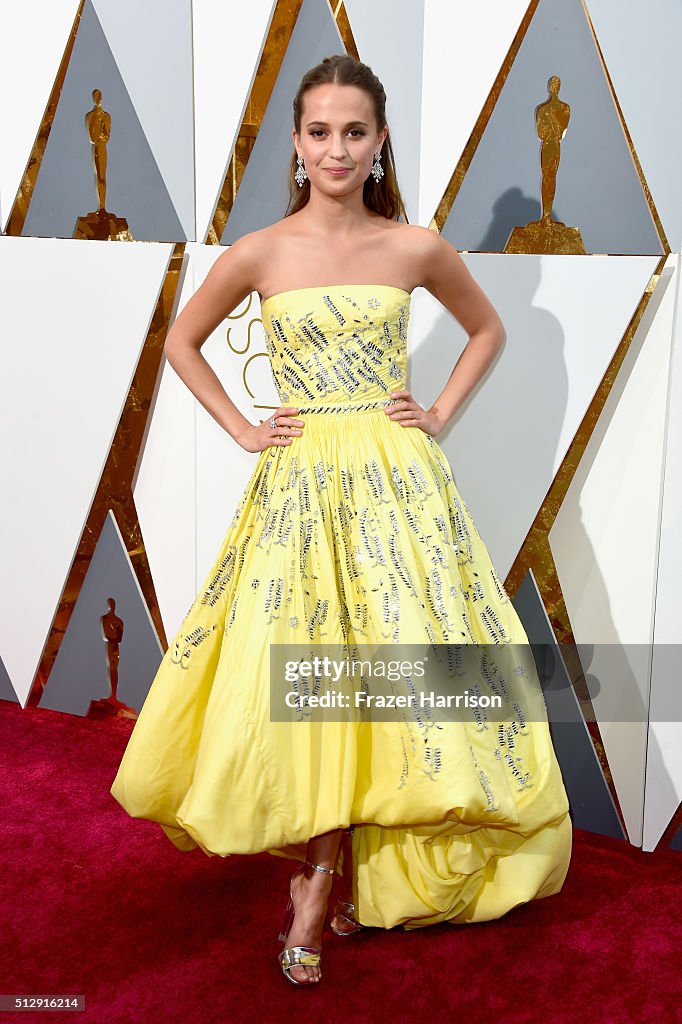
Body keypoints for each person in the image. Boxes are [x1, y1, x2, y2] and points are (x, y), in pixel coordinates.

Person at [110, 53, 572, 988]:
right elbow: (180, 341)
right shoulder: (260, 251)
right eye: (319, 131)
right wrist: (244, 426)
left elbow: (489, 329)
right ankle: (320, 881)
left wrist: (437, 412)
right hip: (301, 486)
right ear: (294, 143)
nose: (335, 148)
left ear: (380, 141)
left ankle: (333, 878)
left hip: (401, 488)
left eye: (353, 131)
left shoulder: (415, 246)